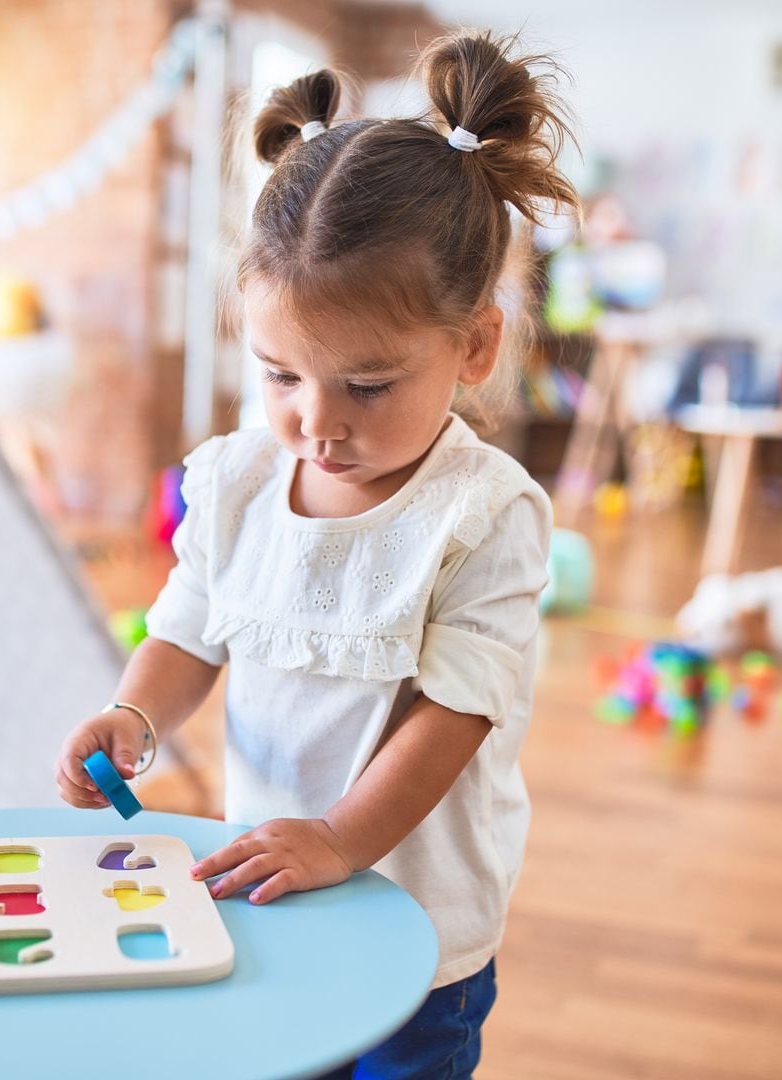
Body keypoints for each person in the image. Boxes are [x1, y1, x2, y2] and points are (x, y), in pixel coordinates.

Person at [56, 28, 580, 1079]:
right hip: (267, 885)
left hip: (413, 926)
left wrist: (342, 837)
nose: (318, 424)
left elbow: (455, 715)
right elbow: (190, 623)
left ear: (473, 346)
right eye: (280, 376)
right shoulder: (240, 479)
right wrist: (135, 712)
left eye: (369, 385)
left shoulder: (484, 514)